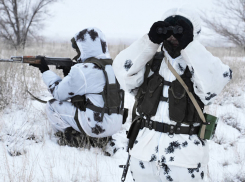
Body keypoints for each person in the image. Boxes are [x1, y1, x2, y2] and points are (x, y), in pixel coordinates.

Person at [113, 8, 232, 181]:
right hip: (144, 156)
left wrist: (190, 46)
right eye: (170, 31)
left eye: (180, 31)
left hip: (184, 161)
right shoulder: (149, 61)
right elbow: (122, 72)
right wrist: (150, 41)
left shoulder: (201, 64)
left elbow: (213, 85)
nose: (173, 37)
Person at [31, 27, 125, 155]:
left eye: (78, 49)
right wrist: (68, 74)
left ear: (84, 48)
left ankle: (74, 139)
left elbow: (59, 94)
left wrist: (45, 70)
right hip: (114, 125)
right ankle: (102, 139)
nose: (77, 52)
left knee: (52, 105)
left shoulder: (83, 70)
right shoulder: (113, 66)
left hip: (96, 127)